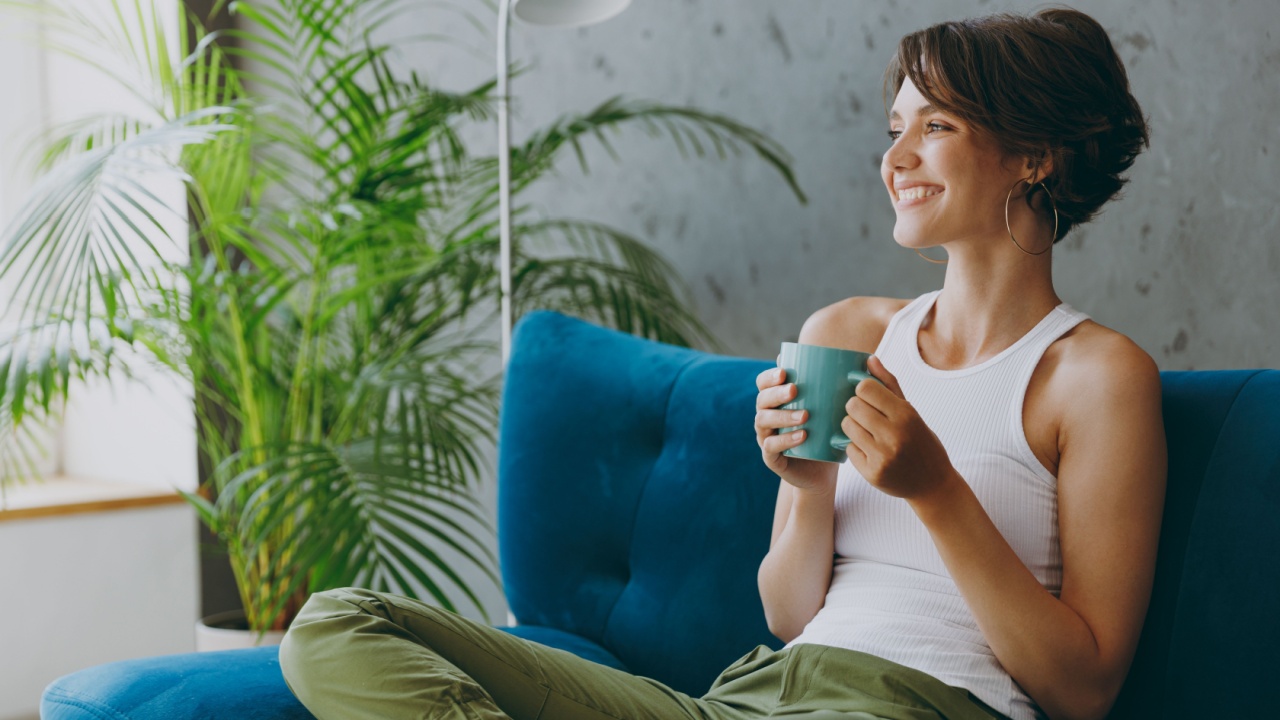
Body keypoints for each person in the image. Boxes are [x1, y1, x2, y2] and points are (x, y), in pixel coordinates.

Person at [279, 7, 1166, 720]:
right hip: (752, 696)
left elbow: (1080, 690)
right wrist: (807, 485)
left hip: (917, 704)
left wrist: (934, 489)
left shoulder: (1095, 377)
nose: (895, 160)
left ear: (1034, 157)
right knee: (335, 625)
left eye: (935, 127)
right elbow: (788, 617)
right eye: (895, 128)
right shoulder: (850, 332)